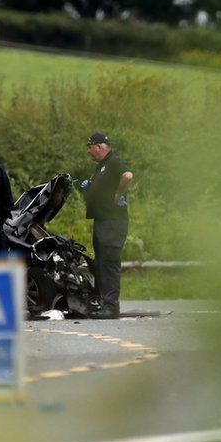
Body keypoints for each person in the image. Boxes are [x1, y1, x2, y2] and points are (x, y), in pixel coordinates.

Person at [80, 131, 133, 319]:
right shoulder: (102, 165)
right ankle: (103, 303)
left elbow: (127, 176)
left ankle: (111, 306)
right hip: (102, 221)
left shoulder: (114, 161)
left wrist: (118, 196)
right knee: (101, 263)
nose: (88, 151)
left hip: (113, 222)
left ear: (100, 147)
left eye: (90, 147)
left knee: (109, 263)